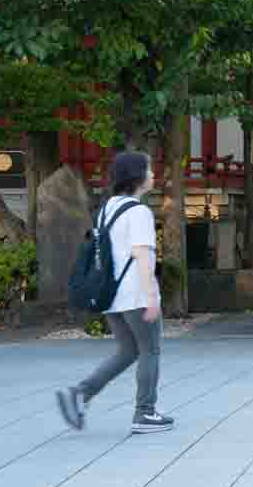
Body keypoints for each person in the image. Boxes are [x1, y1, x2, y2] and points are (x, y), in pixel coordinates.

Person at [55, 151, 173, 434]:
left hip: (111, 294)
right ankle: (144, 413)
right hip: (135, 293)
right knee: (150, 350)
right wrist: (153, 296)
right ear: (137, 177)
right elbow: (142, 254)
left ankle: (81, 394)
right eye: (149, 170)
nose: (153, 175)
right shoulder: (139, 211)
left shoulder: (107, 208)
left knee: (128, 350)